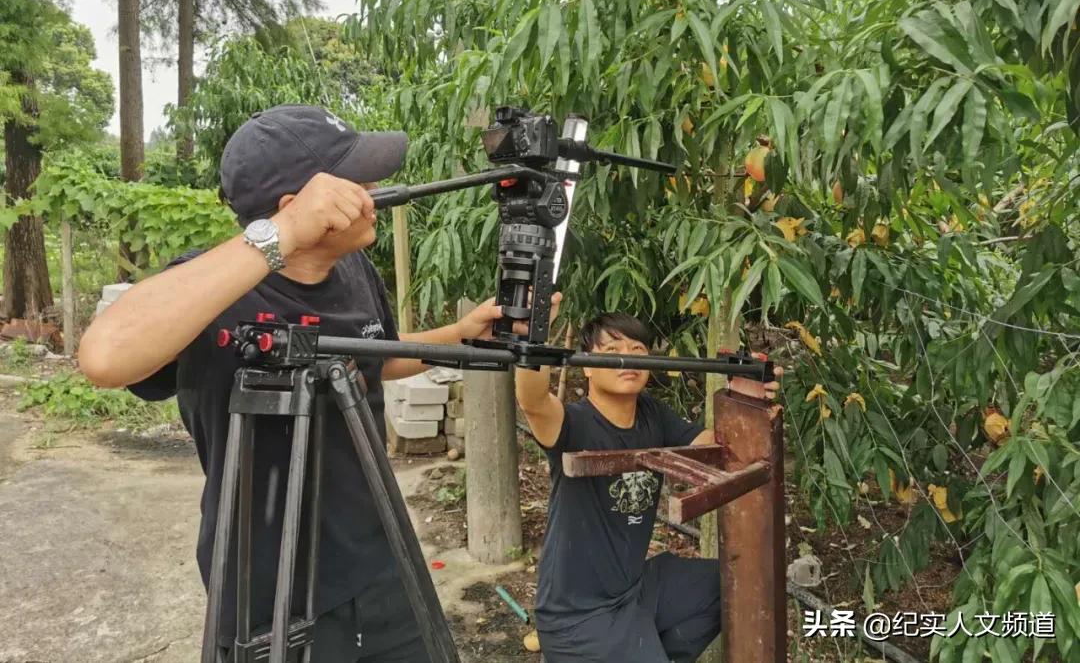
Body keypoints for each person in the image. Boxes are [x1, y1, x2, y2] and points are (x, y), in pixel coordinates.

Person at [79, 105, 511, 662]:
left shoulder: (355, 272)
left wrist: (462, 334)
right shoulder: (210, 290)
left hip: (381, 561)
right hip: (267, 583)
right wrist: (278, 236)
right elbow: (103, 357)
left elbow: (371, 360)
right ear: (297, 208)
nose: (376, 188)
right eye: (357, 179)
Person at [515, 304, 781, 663]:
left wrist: (748, 403)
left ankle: (649, 650)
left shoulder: (652, 415)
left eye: (637, 350)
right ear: (589, 368)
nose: (627, 359)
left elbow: (718, 448)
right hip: (578, 618)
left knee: (735, 581)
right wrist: (534, 330)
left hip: (635, 590)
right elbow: (532, 400)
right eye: (612, 351)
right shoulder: (573, 425)